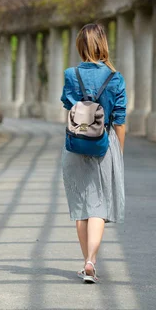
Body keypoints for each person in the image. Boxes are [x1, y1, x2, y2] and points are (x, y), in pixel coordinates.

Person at [60, 23, 127, 284]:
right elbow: (119, 120)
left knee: (81, 207)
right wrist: (118, 151)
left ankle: (86, 262)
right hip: (104, 144)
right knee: (98, 205)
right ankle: (91, 260)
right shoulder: (115, 78)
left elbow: (68, 105)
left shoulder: (70, 74)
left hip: (75, 143)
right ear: (103, 45)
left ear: (81, 45)